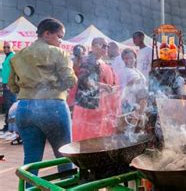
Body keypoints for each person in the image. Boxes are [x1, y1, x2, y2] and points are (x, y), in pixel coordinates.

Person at [8, 18, 77, 175]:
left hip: (24, 108)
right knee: (64, 156)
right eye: (59, 36)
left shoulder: (18, 56)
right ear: (47, 34)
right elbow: (70, 80)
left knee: (31, 160)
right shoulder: (59, 53)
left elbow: (12, 85)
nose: (61, 41)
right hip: (53, 108)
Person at [71, 37, 120, 141]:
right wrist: (104, 86)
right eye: (103, 45)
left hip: (100, 106)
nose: (106, 48)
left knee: (98, 136)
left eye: (107, 46)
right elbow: (84, 81)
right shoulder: (88, 60)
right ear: (94, 47)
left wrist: (112, 88)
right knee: (87, 137)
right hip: (88, 107)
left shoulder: (102, 62)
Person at [1, 41, 15, 132]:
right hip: (6, 84)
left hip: (10, 85)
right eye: (5, 47)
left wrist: (11, 83)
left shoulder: (13, 57)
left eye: (8, 47)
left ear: (12, 48)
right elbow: (5, 71)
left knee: (11, 106)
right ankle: (8, 125)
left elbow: (15, 71)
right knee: (7, 105)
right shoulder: (7, 57)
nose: (6, 49)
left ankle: (11, 127)